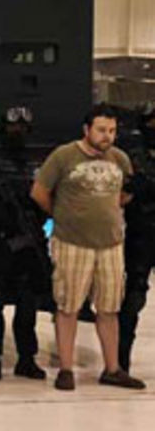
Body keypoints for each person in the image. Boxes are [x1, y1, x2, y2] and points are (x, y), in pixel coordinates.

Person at [30, 103, 145, 391]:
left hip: (111, 245)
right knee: (68, 306)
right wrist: (62, 216)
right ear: (87, 129)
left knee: (109, 308)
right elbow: (40, 192)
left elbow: (125, 194)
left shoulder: (120, 159)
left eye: (112, 131)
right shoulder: (64, 156)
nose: (107, 136)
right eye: (102, 130)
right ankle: (66, 369)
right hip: (72, 243)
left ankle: (113, 368)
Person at [0, 106, 49, 381]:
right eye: (13, 127)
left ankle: (26, 359)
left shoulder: (37, 165)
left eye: (23, 128)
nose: (18, 133)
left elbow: (46, 201)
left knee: (28, 304)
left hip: (29, 242)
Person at [118, 102, 155, 372]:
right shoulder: (130, 151)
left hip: (142, 229)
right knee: (134, 296)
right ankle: (120, 361)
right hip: (141, 232)